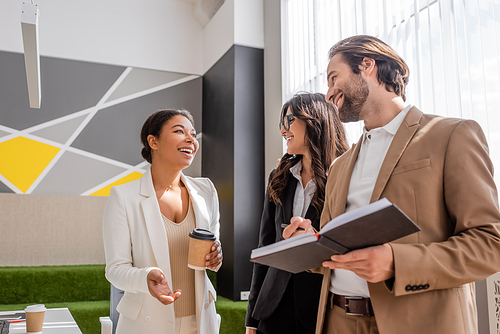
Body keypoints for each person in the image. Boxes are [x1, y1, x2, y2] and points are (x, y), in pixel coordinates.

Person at [284, 35, 500, 334]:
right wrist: (310, 243)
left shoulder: (451, 135)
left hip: (418, 323)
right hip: (338, 321)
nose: (329, 92)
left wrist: (398, 262)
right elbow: (337, 255)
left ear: (368, 65)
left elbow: (490, 244)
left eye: (334, 77)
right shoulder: (340, 165)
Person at [103, 108, 223, 334]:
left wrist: (216, 257)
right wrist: (144, 276)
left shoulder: (206, 191)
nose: (191, 139)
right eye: (179, 131)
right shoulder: (123, 196)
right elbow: (115, 270)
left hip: (200, 322)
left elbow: (213, 254)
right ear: (153, 142)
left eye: (193, 134)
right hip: (147, 323)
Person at [246, 92, 349, 334]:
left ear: (314, 120)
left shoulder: (345, 173)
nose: (283, 130)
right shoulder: (279, 176)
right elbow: (265, 247)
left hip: (322, 307)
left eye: (289, 121)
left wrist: (314, 241)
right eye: (282, 123)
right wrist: (252, 319)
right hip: (273, 307)